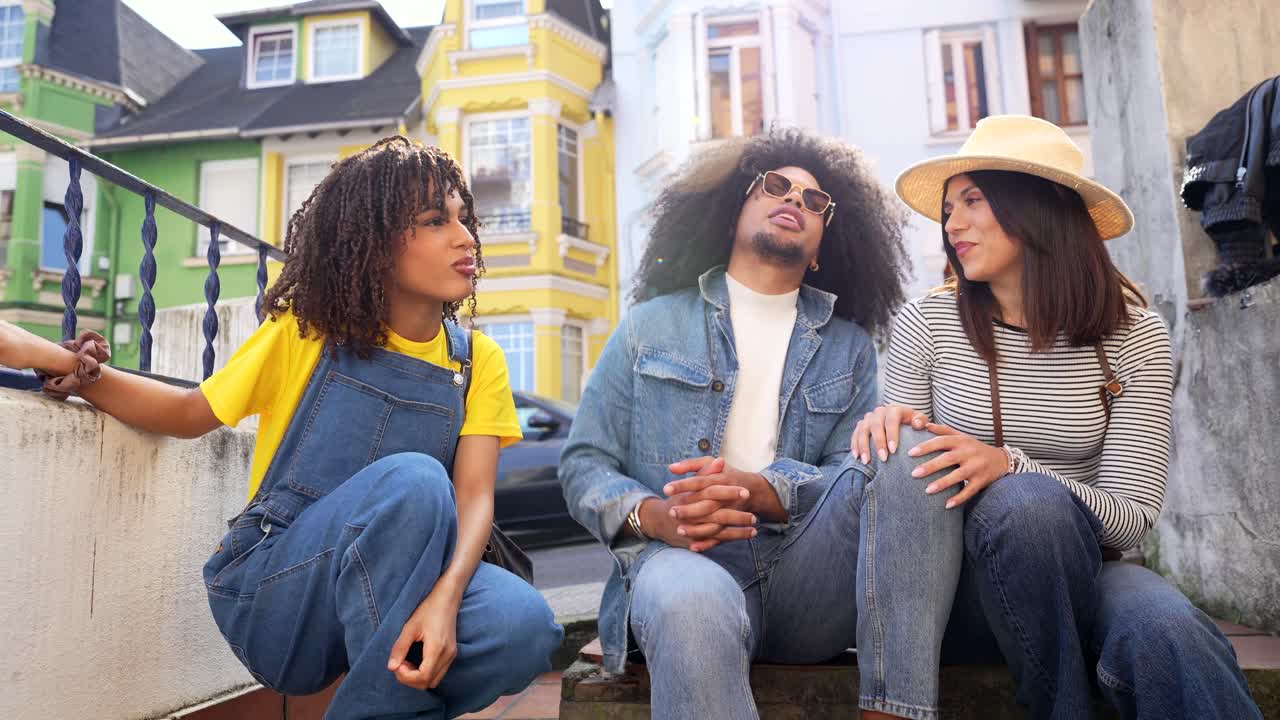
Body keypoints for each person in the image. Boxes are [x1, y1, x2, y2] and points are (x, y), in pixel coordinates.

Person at [0, 137, 562, 719]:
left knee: (525, 628)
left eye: (464, 219)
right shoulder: (309, 334)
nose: (466, 236)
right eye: (434, 221)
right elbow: (187, 414)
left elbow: (475, 499)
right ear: (375, 245)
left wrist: (446, 600)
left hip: (408, 590)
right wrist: (59, 360)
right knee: (416, 483)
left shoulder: (478, 363)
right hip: (280, 590)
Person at [850, 114, 1261, 719]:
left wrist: (1009, 465)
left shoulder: (1134, 337)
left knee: (1168, 627)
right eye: (947, 208)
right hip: (960, 593)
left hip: (1089, 573)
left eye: (973, 200)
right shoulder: (927, 325)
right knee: (1025, 507)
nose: (951, 225)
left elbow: (1130, 521)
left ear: (1036, 209)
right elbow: (905, 496)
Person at [559, 128, 912, 719]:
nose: (795, 200)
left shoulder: (849, 348)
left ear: (824, 244)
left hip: (807, 577)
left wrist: (765, 490)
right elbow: (583, 464)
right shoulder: (649, 326)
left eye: (814, 200)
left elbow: (855, 476)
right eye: (776, 186)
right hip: (681, 561)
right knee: (691, 602)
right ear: (731, 215)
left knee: (898, 454)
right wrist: (656, 516)